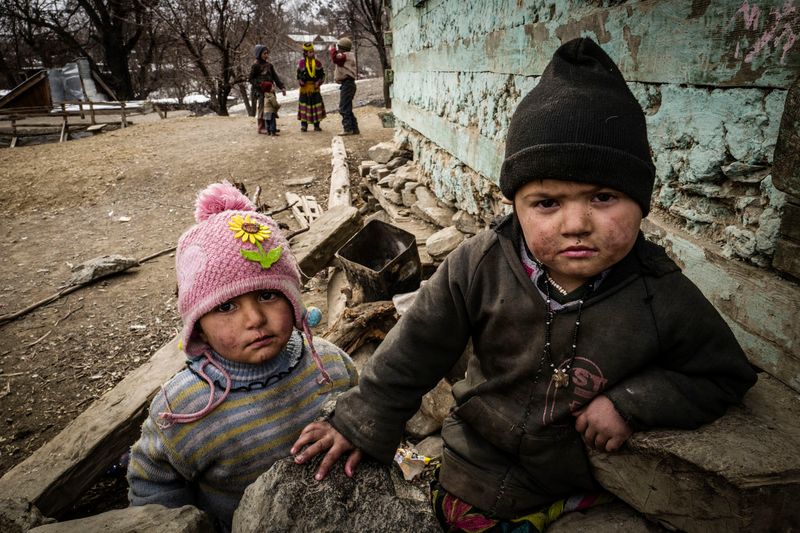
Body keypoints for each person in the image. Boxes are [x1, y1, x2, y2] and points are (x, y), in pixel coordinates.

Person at [292, 37, 757, 531]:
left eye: (602, 197)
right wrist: (360, 420)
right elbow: (418, 345)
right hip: (475, 464)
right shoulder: (481, 263)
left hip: (583, 483)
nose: (576, 223)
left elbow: (723, 375)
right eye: (547, 203)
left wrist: (631, 403)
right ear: (515, 204)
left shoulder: (659, 293)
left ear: (641, 201)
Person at [127, 181, 357, 532]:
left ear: (293, 301)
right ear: (197, 327)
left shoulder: (329, 364)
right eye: (226, 306)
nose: (254, 320)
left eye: (268, 295)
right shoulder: (182, 408)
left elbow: (363, 416)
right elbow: (153, 485)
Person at [249, 45, 286, 135]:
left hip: (270, 90)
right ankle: (261, 127)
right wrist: (261, 85)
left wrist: (281, 87)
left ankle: (270, 126)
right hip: (261, 91)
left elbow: (275, 77)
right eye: (264, 53)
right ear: (259, 54)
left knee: (271, 108)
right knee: (262, 108)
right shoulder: (255, 66)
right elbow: (251, 79)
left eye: (267, 53)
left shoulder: (269, 65)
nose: (266, 55)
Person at [328, 37, 359, 135]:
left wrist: (332, 49)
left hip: (347, 84)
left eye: (338, 48)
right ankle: (354, 128)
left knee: (343, 107)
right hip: (348, 84)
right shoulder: (347, 55)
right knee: (347, 107)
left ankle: (348, 128)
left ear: (342, 48)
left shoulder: (345, 56)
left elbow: (335, 58)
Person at [297, 42, 326, 132]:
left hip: (315, 88)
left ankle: (316, 125)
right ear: (305, 53)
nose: (312, 53)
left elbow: (322, 75)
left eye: (313, 51)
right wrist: (300, 81)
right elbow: (298, 75)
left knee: (316, 106)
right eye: (310, 52)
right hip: (305, 89)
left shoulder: (318, 63)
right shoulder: (301, 63)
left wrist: (319, 82)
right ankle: (304, 125)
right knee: (305, 106)